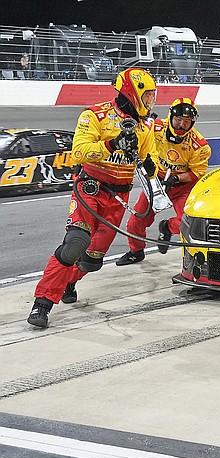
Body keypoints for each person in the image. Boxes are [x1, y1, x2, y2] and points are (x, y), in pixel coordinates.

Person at [27, 67, 158, 329]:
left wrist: (148, 163)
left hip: (119, 195)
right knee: (75, 243)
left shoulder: (146, 126)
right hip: (90, 188)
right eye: (147, 96)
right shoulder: (94, 115)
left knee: (91, 259)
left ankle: (69, 281)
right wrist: (113, 144)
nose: (150, 102)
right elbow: (79, 153)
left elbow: (151, 161)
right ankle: (42, 303)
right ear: (132, 93)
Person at [116, 97, 211, 266]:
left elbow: (197, 172)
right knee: (135, 222)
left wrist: (176, 178)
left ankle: (166, 228)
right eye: (178, 120)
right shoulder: (155, 128)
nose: (181, 125)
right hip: (156, 181)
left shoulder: (200, 145)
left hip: (183, 186)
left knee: (188, 221)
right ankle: (136, 251)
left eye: (186, 122)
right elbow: (138, 137)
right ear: (171, 117)